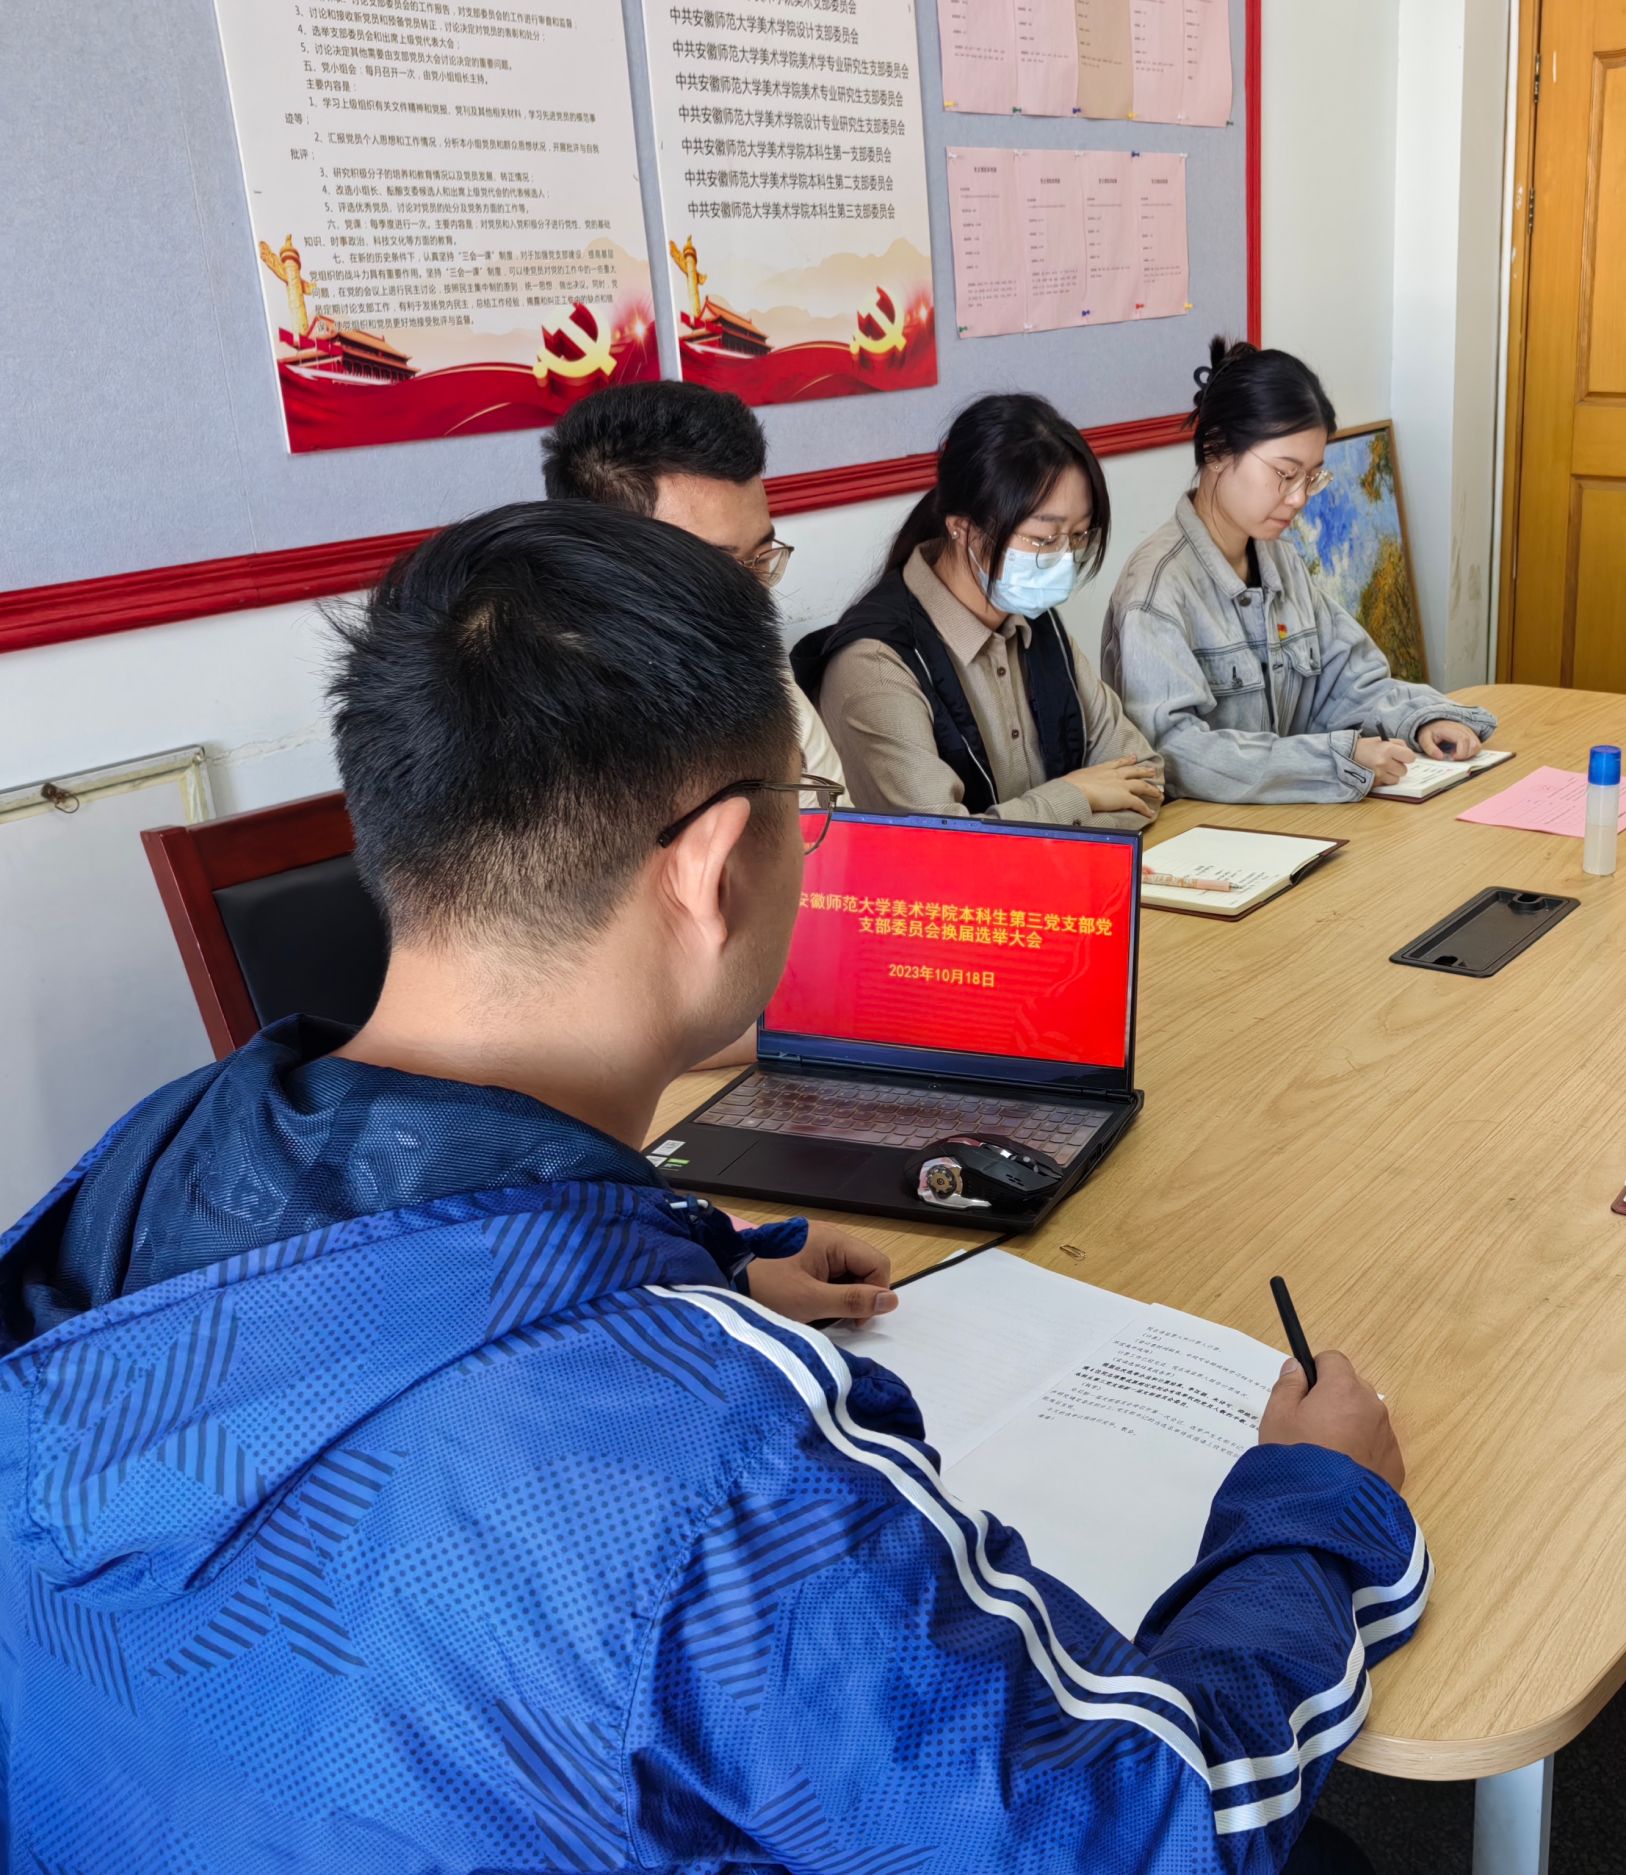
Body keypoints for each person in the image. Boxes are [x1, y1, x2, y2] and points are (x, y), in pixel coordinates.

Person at [0, 502, 1426, 1873]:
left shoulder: (153, 1154)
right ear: (712, 866)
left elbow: (339, 1330)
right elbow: (1147, 1828)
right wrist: (1319, 1504)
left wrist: (692, 1262)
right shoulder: (720, 1454)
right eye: (806, 810)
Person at [1102, 339, 1495, 801]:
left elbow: (1349, 680)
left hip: (1291, 821)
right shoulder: (1156, 592)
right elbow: (1175, 756)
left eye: (1311, 477)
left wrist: (1421, 719)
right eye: (1285, 473)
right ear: (1216, 449)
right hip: (1204, 834)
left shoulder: (1281, 560)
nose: (1299, 498)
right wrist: (1333, 761)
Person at [792, 393, 1165, 827]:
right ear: (963, 528)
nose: (1063, 558)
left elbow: (1144, 778)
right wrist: (1077, 796)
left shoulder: (1034, 619)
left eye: (1079, 536)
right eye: (1044, 540)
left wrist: (1057, 832)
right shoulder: (876, 664)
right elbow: (942, 847)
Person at [542, 378, 843, 785]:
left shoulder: (750, 659)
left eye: (760, 557)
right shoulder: (536, 725)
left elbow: (834, 812)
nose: (753, 601)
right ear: (603, 566)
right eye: (716, 570)